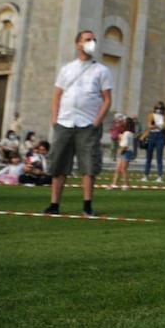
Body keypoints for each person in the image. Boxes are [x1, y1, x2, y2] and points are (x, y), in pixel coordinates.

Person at [44, 30, 113, 217]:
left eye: (93, 40)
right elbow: (57, 95)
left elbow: (107, 99)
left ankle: (87, 205)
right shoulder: (67, 69)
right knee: (58, 164)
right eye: (87, 40)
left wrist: (97, 121)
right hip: (64, 122)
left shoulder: (102, 70)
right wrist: (54, 119)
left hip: (88, 124)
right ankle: (54, 204)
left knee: (89, 166)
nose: (91, 43)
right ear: (78, 44)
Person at [141, 102, 165, 183]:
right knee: (149, 157)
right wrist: (157, 126)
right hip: (152, 135)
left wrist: (157, 126)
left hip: (160, 136)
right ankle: (146, 175)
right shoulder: (151, 115)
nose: (158, 110)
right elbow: (149, 125)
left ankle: (160, 176)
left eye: (160, 108)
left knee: (159, 157)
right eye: (157, 108)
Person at [110, 117, 135, 190]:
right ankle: (114, 184)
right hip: (124, 151)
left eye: (124, 122)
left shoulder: (127, 133)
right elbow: (122, 143)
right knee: (118, 169)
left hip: (125, 152)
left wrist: (120, 152)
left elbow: (125, 145)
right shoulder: (127, 133)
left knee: (123, 169)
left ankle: (126, 184)